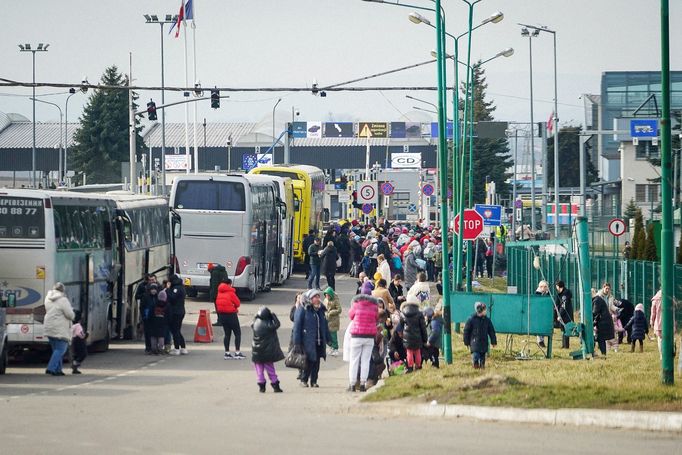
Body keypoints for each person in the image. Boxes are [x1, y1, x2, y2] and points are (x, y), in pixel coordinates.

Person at [293, 289, 330, 388]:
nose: (318, 299)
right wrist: (296, 342)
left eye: (318, 297)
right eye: (315, 297)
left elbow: (324, 325)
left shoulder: (320, 309)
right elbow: (297, 326)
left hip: (319, 340)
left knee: (316, 362)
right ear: (310, 299)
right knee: (308, 361)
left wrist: (328, 338)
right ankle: (304, 380)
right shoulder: (303, 309)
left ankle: (314, 381)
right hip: (307, 341)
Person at [348, 294, 379, 392]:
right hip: (369, 336)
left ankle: (352, 384)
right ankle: (362, 384)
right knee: (365, 360)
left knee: (354, 360)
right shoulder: (374, 307)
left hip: (356, 336)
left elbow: (351, 316)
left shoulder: (356, 304)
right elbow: (376, 318)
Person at [44, 282, 75, 376]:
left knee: (56, 350)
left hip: (49, 326)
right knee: (61, 350)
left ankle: (58, 370)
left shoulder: (48, 298)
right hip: (60, 328)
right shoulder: (63, 300)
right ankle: (51, 368)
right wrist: (73, 315)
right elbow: (70, 315)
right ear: (62, 290)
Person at [251, 306, 284, 393]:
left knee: (259, 370)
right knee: (270, 369)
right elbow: (277, 324)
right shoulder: (269, 324)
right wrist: (274, 316)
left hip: (256, 352)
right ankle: (275, 385)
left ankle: (261, 387)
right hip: (267, 352)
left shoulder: (255, 323)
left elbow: (252, 324)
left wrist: (256, 316)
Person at [463, 301, 497, 369]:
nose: (486, 311)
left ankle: (482, 367)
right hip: (475, 342)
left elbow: (491, 331)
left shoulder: (487, 320)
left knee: (482, 357)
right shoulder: (471, 319)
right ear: (481, 310)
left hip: (484, 342)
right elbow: (466, 331)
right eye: (485, 310)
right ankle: (475, 366)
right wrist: (466, 342)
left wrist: (493, 341)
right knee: (475, 355)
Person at [215, 279, 244, 359]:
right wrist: (234, 307)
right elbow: (238, 303)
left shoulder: (219, 292)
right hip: (231, 315)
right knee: (237, 333)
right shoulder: (231, 293)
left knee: (227, 334)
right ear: (229, 284)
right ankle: (237, 353)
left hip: (222, 316)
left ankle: (227, 353)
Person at [400, 295, 427, 372]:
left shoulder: (403, 312)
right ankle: (418, 365)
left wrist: (403, 333)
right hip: (417, 336)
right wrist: (425, 339)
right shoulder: (419, 313)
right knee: (417, 351)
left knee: (409, 351)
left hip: (407, 337)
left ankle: (410, 366)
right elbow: (423, 327)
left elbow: (401, 325)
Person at [166, 274, 188, 355]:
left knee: (175, 330)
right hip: (181, 311)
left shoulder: (176, 288)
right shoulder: (181, 287)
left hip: (175, 312)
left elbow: (172, 298)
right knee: (178, 330)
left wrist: (168, 290)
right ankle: (183, 347)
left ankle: (176, 348)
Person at [592, 291, 614, 357]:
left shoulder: (597, 300)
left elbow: (595, 312)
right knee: (600, 338)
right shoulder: (597, 299)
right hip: (603, 321)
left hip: (604, 322)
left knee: (600, 338)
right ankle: (603, 354)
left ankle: (602, 354)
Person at [555, 281, 573, 349]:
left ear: (558, 286)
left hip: (566, 315)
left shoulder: (565, 294)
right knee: (563, 330)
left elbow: (563, 306)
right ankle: (563, 345)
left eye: (556, 286)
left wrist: (559, 315)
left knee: (566, 329)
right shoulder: (560, 294)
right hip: (562, 314)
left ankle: (566, 346)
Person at [151, 288, 169, 355]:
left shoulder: (155, 304)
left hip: (155, 321)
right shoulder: (167, 305)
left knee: (154, 335)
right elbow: (168, 314)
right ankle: (160, 349)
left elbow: (151, 313)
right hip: (163, 321)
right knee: (161, 335)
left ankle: (154, 348)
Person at [324, 287, 342, 356]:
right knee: (328, 335)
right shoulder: (325, 300)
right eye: (326, 295)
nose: (327, 297)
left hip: (334, 321)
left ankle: (335, 348)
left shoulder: (336, 300)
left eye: (328, 295)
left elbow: (339, 310)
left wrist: (331, 312)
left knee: (333, 336)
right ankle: (331, 347)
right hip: (327, 320)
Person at [70, 310, 87, 374]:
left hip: (73, 341)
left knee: (75, 355)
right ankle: (75, 364)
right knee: (83, 354)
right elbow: (80, 334)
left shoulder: (72, 325)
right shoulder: (78, 326)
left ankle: (75, 369)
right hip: (79, 341)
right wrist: (86, 335)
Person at [535, 280, 550, 348]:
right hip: (538, 312)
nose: (543, 288)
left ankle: (542, 340)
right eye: (542, 287)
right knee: (539, 327)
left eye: (545, 287)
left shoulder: (548, 293)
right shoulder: (537, 293)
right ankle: (540, 341)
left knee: (543, 327)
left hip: (545, 313)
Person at [650, 290, 663, 359]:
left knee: (660, 339)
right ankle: (669, 353)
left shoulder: (655, 300)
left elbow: (653, 313)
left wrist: (651, 321)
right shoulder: (670, 297)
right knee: (669, 338)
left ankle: (661, 355)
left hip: (659, 322)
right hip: (669, 322)